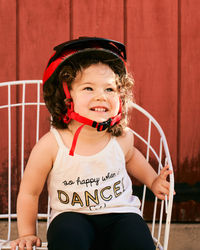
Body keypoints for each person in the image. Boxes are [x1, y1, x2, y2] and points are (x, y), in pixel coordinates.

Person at [11, 37, 172, 250]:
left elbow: (132, 157)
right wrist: (28, 233)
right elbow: (29, 193)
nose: (101, 97)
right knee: (67, 238)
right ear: (66, 97)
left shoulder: (121, 137)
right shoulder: (51, 145)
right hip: (72, 216)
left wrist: (153, 181)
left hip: (120, 213)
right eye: (88, 88)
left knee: (136, 240)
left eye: (110, 89)